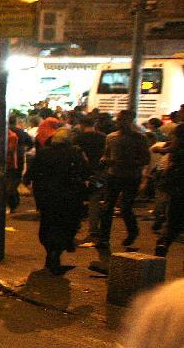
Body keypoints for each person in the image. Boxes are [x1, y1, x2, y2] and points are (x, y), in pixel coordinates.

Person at [24, 127, 87, 274]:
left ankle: (51, 252)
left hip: (46, 197)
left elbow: (31, 173)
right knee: (67, 225)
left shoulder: (44, 153)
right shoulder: (74, 153)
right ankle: (56, 253)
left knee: (48, 224)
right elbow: (85, 172)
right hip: (68, 197)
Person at [97, 109, 150, 251]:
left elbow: (146, 159)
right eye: (118, 119)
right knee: (107, 207)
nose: (119, 122)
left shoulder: (139, 138)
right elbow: (106, 155)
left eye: (122, 119)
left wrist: (126, 162)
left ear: (130, 120)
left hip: (131, 177)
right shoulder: (111, 137)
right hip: (113, 175)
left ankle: (132, 231)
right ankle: (103, 238)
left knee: (125, 207)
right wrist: (105, 161)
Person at [72, 115, 107, 247]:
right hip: (99, 171)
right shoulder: (103, 137)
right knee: (95, 201)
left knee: (79, 200)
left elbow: (77, 156)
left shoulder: (78, 139)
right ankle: (94, 230)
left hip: (82, 173)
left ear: (81, 125)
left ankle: (80, 228)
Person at [154, 124, 183, 257]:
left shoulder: (177, 146)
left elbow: (170, 148)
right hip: (177, 184)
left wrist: (159, 148)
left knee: (173, 218)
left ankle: (164, 243)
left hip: (178, 185)